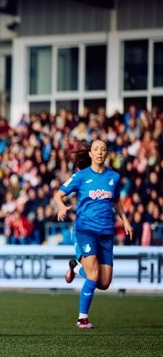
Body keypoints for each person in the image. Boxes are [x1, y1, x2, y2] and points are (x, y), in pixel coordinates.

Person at [53, 139, 133, 329]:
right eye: (96, 149)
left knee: (104, 282)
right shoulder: (81, 177)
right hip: (85, 230)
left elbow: (116, 201)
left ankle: (75, 267)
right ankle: (82, 318)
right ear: (90, 154)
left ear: (106, 154)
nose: (99, 152)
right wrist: (61, 206)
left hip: (106, 233)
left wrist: (126, 220)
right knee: (94, 274)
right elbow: (58, 194)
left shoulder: (113, 177)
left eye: (103, 149)